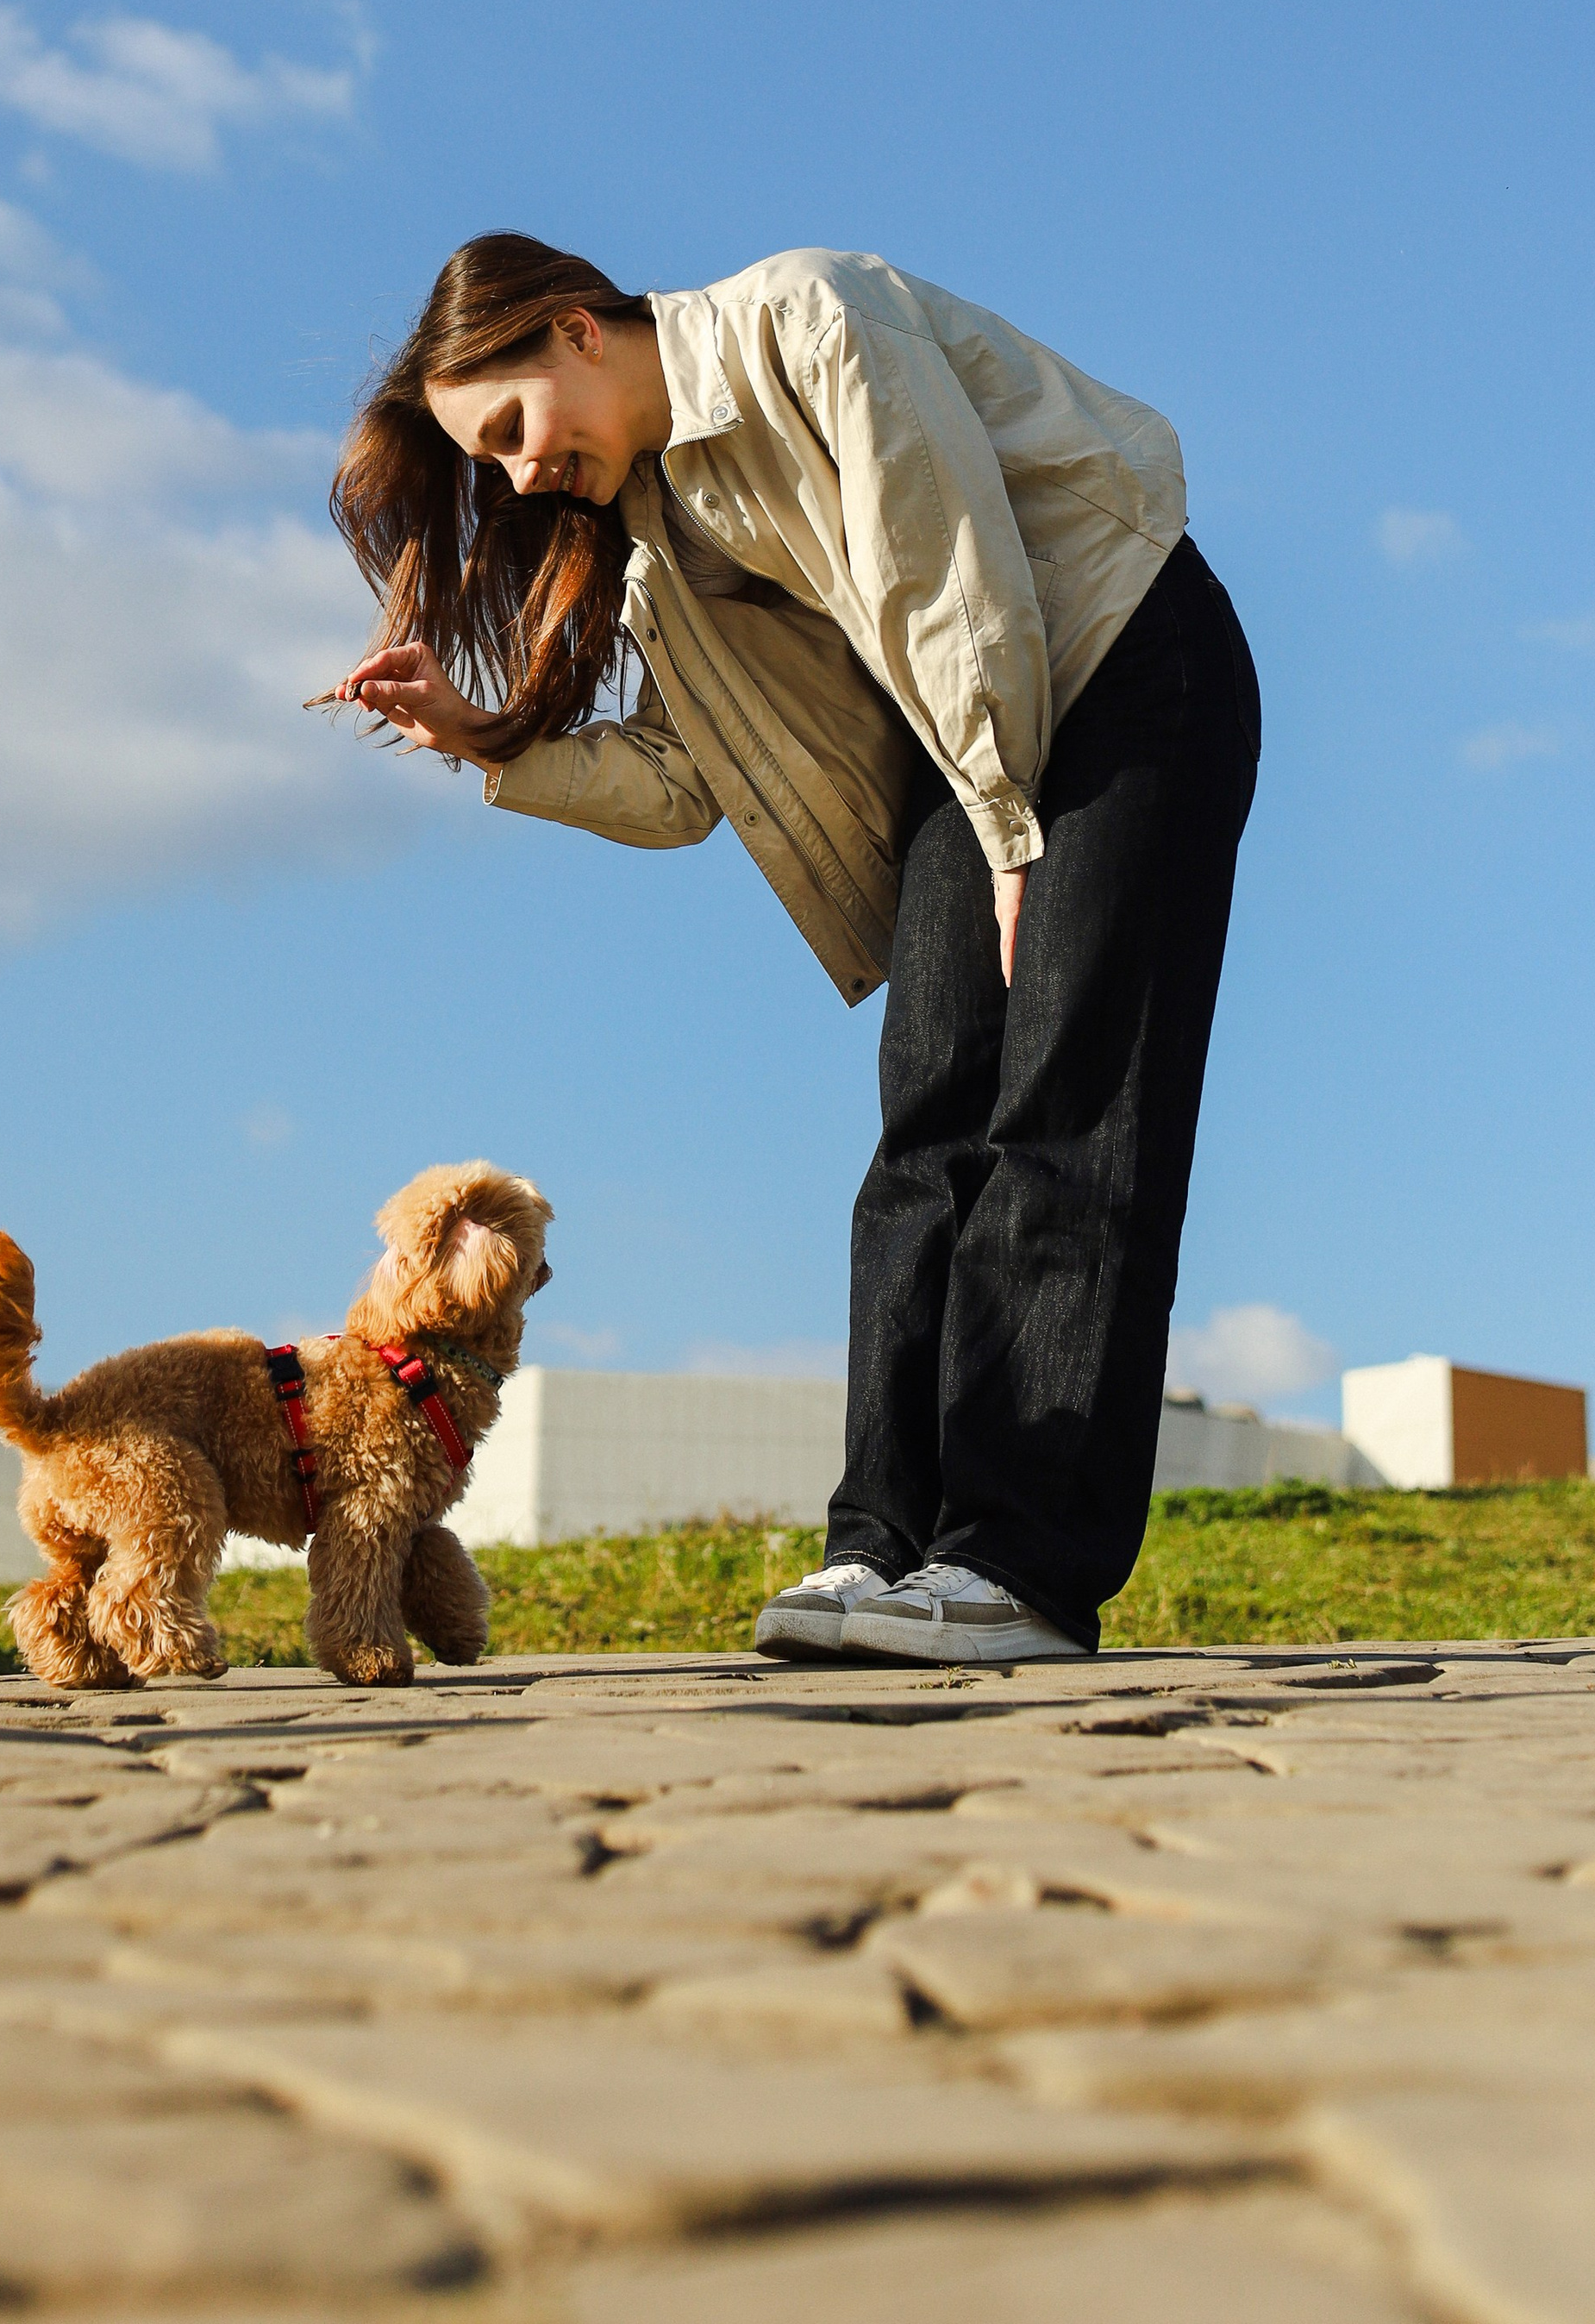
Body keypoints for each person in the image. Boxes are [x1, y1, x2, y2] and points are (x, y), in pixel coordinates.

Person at [324, 236, 1260, 1664]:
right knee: (924, 1133)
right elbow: (680, 782)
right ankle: (883, 1550)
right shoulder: (656, 549)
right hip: (978, 738)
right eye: (489, 459)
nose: (519, 473)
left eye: (514, 425)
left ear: (578, 330)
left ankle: (1021, 1567)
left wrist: (1011, 829)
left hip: (1118, 665)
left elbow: (946, 570)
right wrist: (482, 741)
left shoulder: (804, 320)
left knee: (1069, 1111)